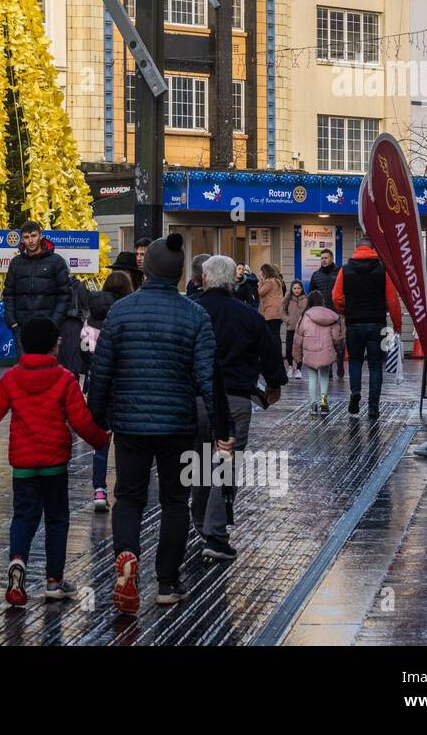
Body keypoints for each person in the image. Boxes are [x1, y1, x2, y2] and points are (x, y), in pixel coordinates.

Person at [87, 234, 219, 612]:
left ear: (145, 269)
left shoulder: (121, 312)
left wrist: (97, 418)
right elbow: (208, 378)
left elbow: (102, 371)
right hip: (178, 425)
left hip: (129, 423)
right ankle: (166, 581)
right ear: (180, 274)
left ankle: (127, 557)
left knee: (128, 497)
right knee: (175, 501)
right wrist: (222, 429)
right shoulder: (196, 315)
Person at [0, 317, 109, 606]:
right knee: (56, 519)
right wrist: (102, 440)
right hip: (54, 465)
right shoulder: (64, 378)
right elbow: (81, 421)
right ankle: (54, 580)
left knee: (23, 517)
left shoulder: (13, 377)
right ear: (53, 347)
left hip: (23, 466)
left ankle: (17, 561)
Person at [191, 255, 285, 561]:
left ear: (204, 279)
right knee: (225, 464)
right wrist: (274, 384)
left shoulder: (191, 310)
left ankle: (200, 522)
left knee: (198, 461)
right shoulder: (246, 314)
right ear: (235, 281)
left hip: (194, 399)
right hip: (234, 400)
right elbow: (270, 350)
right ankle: (215, 534)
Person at [332, 237, 402, 420]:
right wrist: (397, 325)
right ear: (373, 250)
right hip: (377, 324)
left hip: (354, 324)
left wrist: (345, 310)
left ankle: (355, 391)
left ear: (356, 250)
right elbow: (392, 300)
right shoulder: (382, 270)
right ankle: (373, 407)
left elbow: (336, 296)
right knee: (375, 366)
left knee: (355, 361)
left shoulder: (345, 270)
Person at [85, 272, 133, 512]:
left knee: (101, 440)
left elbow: (84, 347)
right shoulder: (128, 312)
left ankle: (99, 490)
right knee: (125, 442)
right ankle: (123, 488)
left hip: (99, 382)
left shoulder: (93, 316)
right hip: (125, 384)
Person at [2, 220, 72, 351]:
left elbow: (65, 295)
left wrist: (54, 322)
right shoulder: (16, 263)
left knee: (47, 367)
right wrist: (12, 322)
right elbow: (8, 294)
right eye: (26, 237)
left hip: (48, 326)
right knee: (25, 368)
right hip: (22, 327)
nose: (30, 241)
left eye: (33, 236)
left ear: (40, 236)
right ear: (22, 240)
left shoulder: (56, 261)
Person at [293, 289, 340, 416]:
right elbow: (336, 337)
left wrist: (297, 357)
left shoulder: (304, 316)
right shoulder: (330, 316)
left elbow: (298, 339)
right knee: (324, 376)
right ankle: (324, 400)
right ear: (322, 301)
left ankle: (313, 405)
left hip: (310, 353)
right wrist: (337, 348)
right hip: (326, 352)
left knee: (312, 379)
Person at [56, 276, 92, 378]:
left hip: (68, 326)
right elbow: (86, 309)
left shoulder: (57, 286)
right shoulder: (79, 286)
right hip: (73, 326)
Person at [282, 280, 308, 378]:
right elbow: (282, 312)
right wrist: (287, 320)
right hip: (290, 328)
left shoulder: (306, 299)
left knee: (299, 350)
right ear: (292, 289)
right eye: (294, 288)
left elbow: (308, 312)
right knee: (289, 349)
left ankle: (298, 369)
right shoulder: (287, 300)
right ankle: (289, 366)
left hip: (301, 329)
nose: (296, 290)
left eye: (298, 288)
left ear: (301, 289)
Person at [257, 263, 284, 336]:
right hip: (277, 311)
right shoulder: (277, 280)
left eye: (261, 271)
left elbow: (260, 292)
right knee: (276, 334)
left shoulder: (269, 281)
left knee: (271, 335)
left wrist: (260, 283)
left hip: (270, 312)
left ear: (265, 272)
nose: (260, 273)